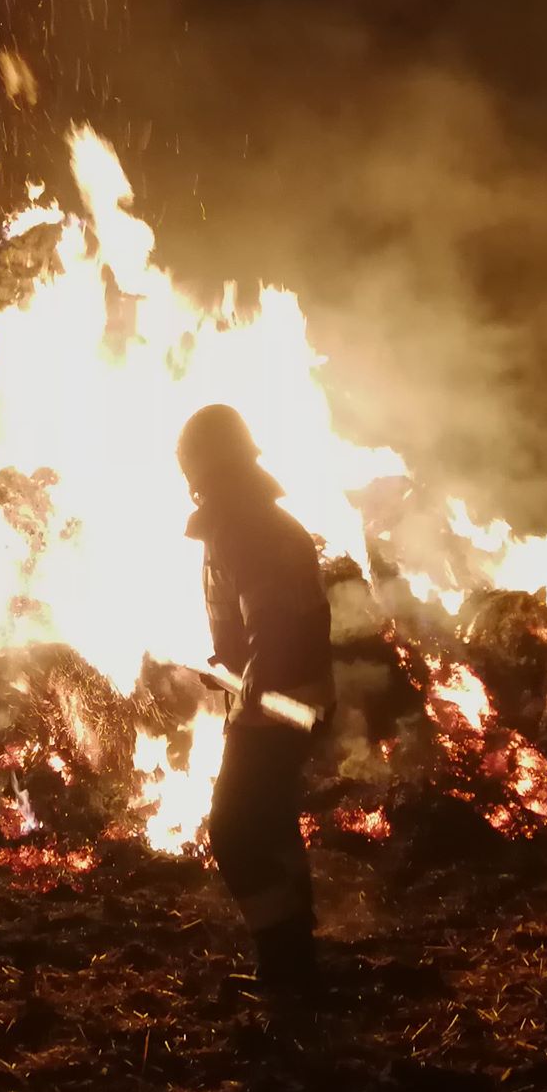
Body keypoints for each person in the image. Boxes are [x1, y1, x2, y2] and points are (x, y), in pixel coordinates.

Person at [177, 403, 335, 989]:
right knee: (272, 820)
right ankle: (297, 948)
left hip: (279, 704)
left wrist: (255, 679)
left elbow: (271, 614)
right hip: (295, 693)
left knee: (235, 830)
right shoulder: (250, 518)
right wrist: (227, 668)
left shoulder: (244, 526)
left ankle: (285, 960)